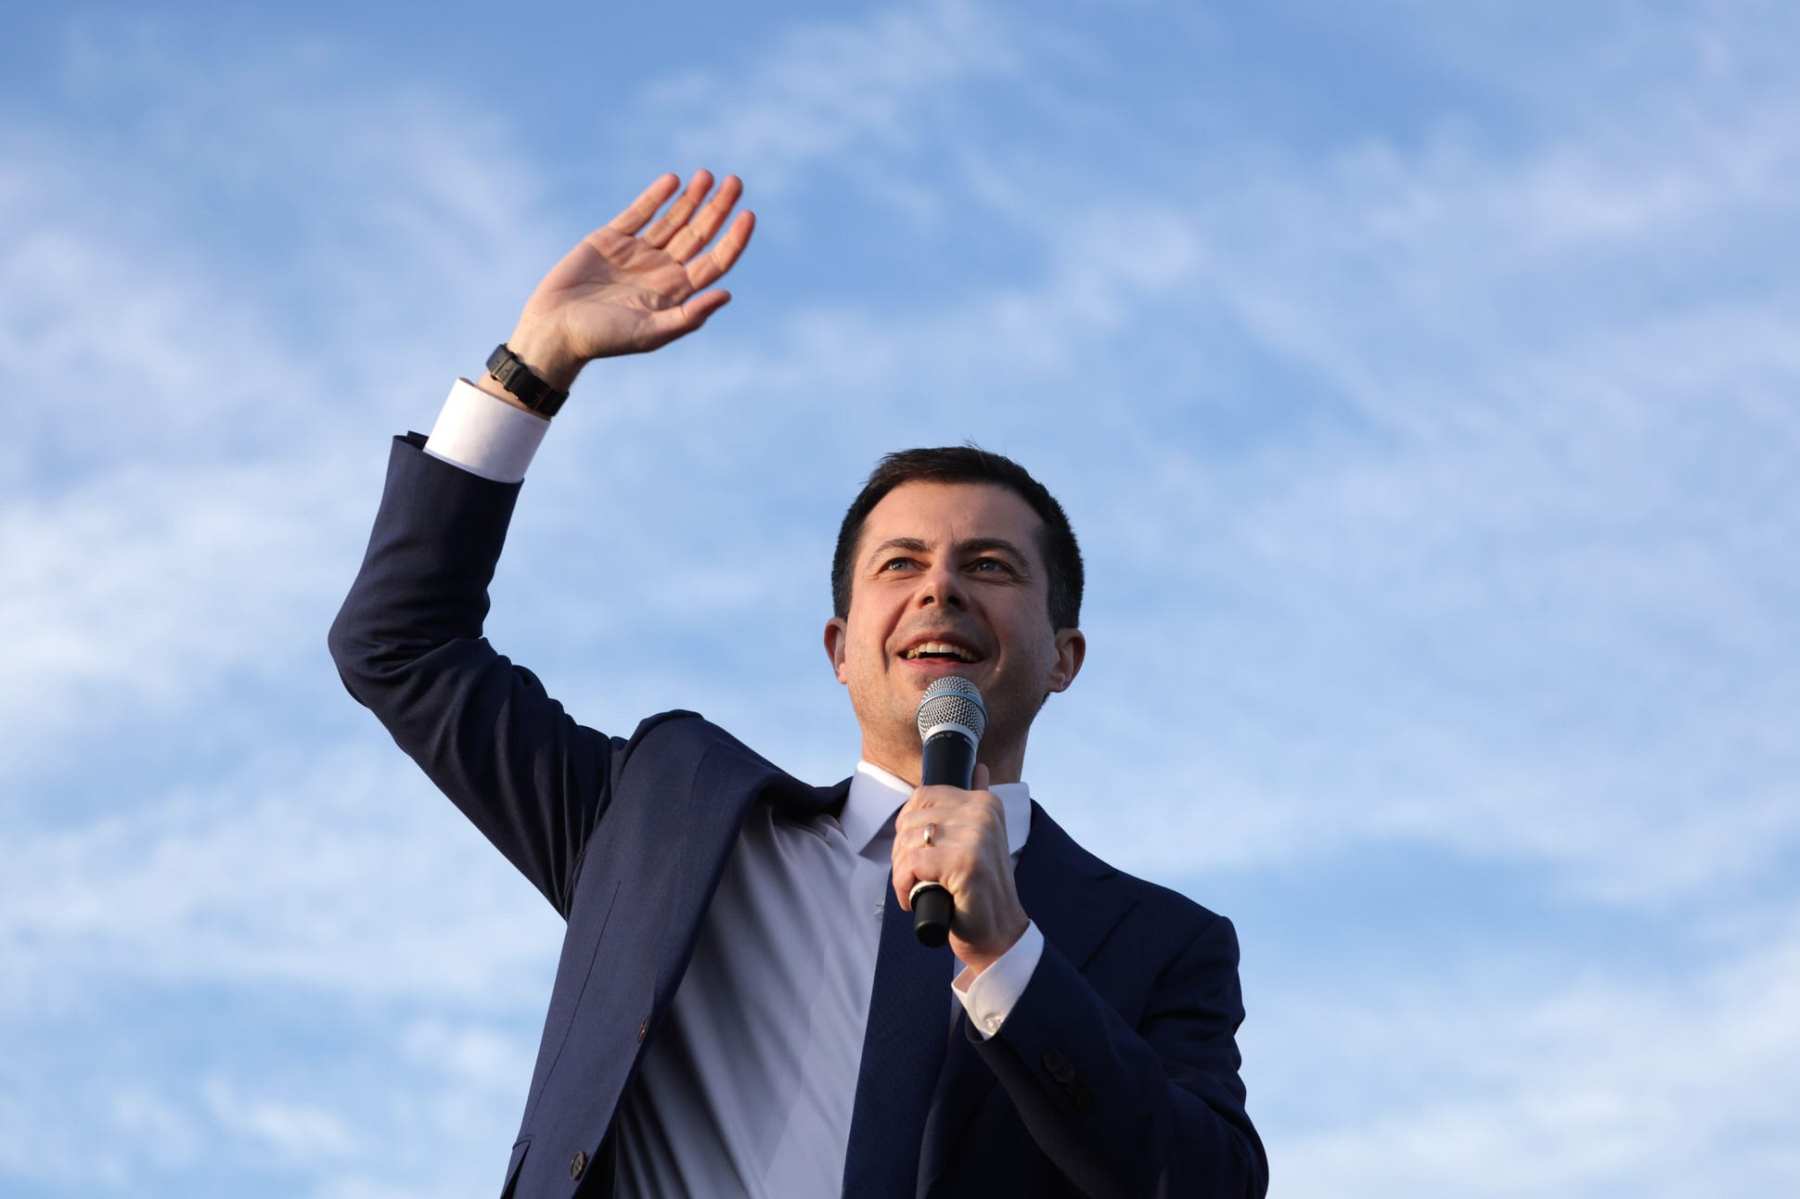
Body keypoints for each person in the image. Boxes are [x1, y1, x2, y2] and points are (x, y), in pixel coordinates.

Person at [328, 170, 1268, 1198]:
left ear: (1064, 656)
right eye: (898, 565)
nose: (941, 589)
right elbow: (398, 643)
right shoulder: (661, 816)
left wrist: (1007, 953)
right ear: (839, 643)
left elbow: (1207, 1184)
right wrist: (533, 364)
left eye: (990, 567)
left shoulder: (1159, 944)